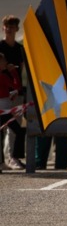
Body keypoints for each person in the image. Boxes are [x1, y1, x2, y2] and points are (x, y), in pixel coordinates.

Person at [0, 15, 26, 169]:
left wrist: (17, 88)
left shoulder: (19, 48)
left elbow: (21, 68)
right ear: (3, 28)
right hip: (2, 93)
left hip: (15, 92)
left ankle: (12, 158)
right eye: (7, 26)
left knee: (14, 126)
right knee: (4, 128)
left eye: (12, 27)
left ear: (17, 29)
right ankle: (4, 160)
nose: (9, 29)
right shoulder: (0, 46)